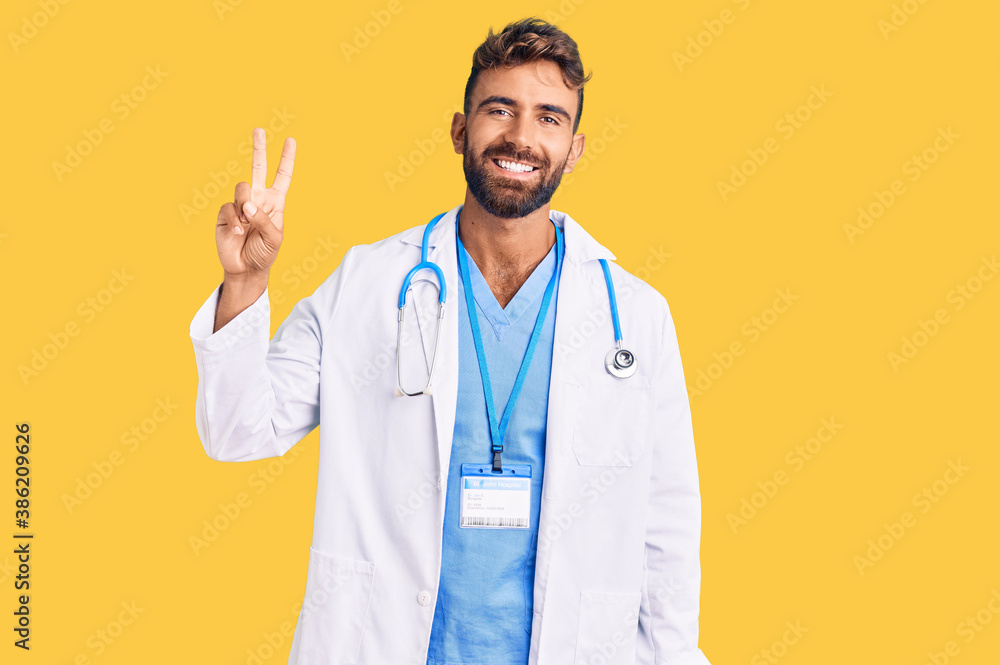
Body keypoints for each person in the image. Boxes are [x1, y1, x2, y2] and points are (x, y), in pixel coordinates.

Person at [189, 16, 712, 665]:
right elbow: (238, 430)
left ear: (574, 149)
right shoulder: (368, 283)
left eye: (549, 117)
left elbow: (667, 530)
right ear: (461, 130)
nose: (522, 136)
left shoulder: (632, 314)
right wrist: (246, 282)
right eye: (501, 110)